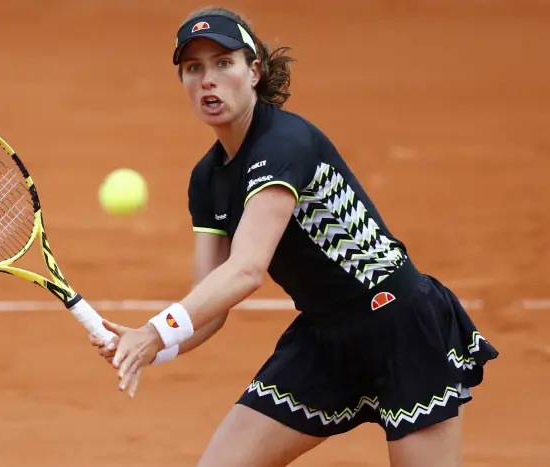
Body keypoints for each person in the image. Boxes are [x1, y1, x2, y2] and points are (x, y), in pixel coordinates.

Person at [90, 6, 499, 467]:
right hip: (324, 340)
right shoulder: (207, 179)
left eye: (224, 63)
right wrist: (151, 350)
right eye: (193, 68)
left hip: (400, 326)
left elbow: (246, 271)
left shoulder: (284, 143)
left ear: (254, 71)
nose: (208, 79)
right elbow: (211, 302)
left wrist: (152, 331)